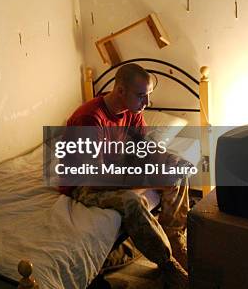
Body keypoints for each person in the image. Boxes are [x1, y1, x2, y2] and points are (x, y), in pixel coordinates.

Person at [61, 63, 189, 289]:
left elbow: (145, 147)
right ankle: (167, 264)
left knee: (176, 169)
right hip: (84, 182)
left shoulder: (132, 111)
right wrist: (146, 179)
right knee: (132, 201)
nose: (146, 103)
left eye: (148, 96)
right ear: (120, 91)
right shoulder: (90, 119)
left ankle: (174, 235)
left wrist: (169, 160)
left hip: (114, 166)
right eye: (141, 96)